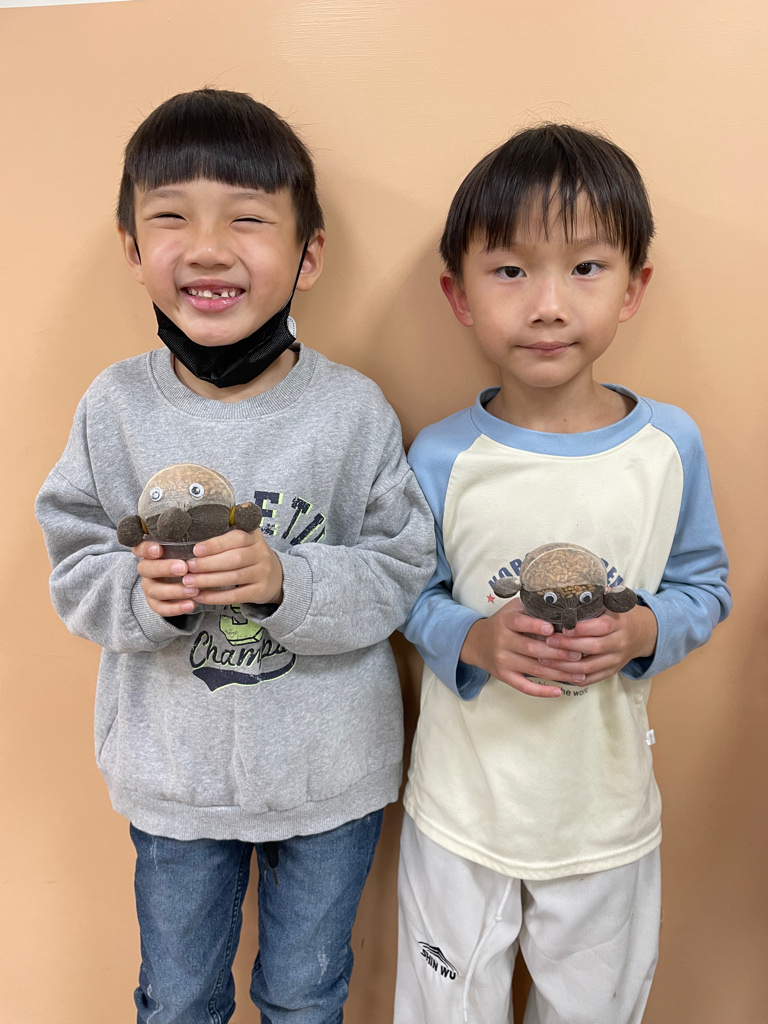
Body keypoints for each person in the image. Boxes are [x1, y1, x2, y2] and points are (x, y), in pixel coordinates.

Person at [35, 88, 435, 1024]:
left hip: (329, 776)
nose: (208, 248)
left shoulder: (352, 411)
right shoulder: (113, 408)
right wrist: (143, 595)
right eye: (171, 218)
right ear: (132, 248)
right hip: (173, 781)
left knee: (305, 995)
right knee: (177, 1000)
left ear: (308, 255)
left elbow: (402, 568)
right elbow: (74, 563)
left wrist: (287, 581)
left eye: (247, 220)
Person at [394, 124, 731, 1024]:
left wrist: (645, 629)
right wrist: (472, 638)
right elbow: (406, 594)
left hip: (604, 821)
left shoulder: (669, 448)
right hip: (461, 812)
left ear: (634, 288)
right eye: (510, 270)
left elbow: (706, 586)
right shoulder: (441, 456)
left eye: (585, 268)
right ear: (459, 295)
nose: (548, 306)